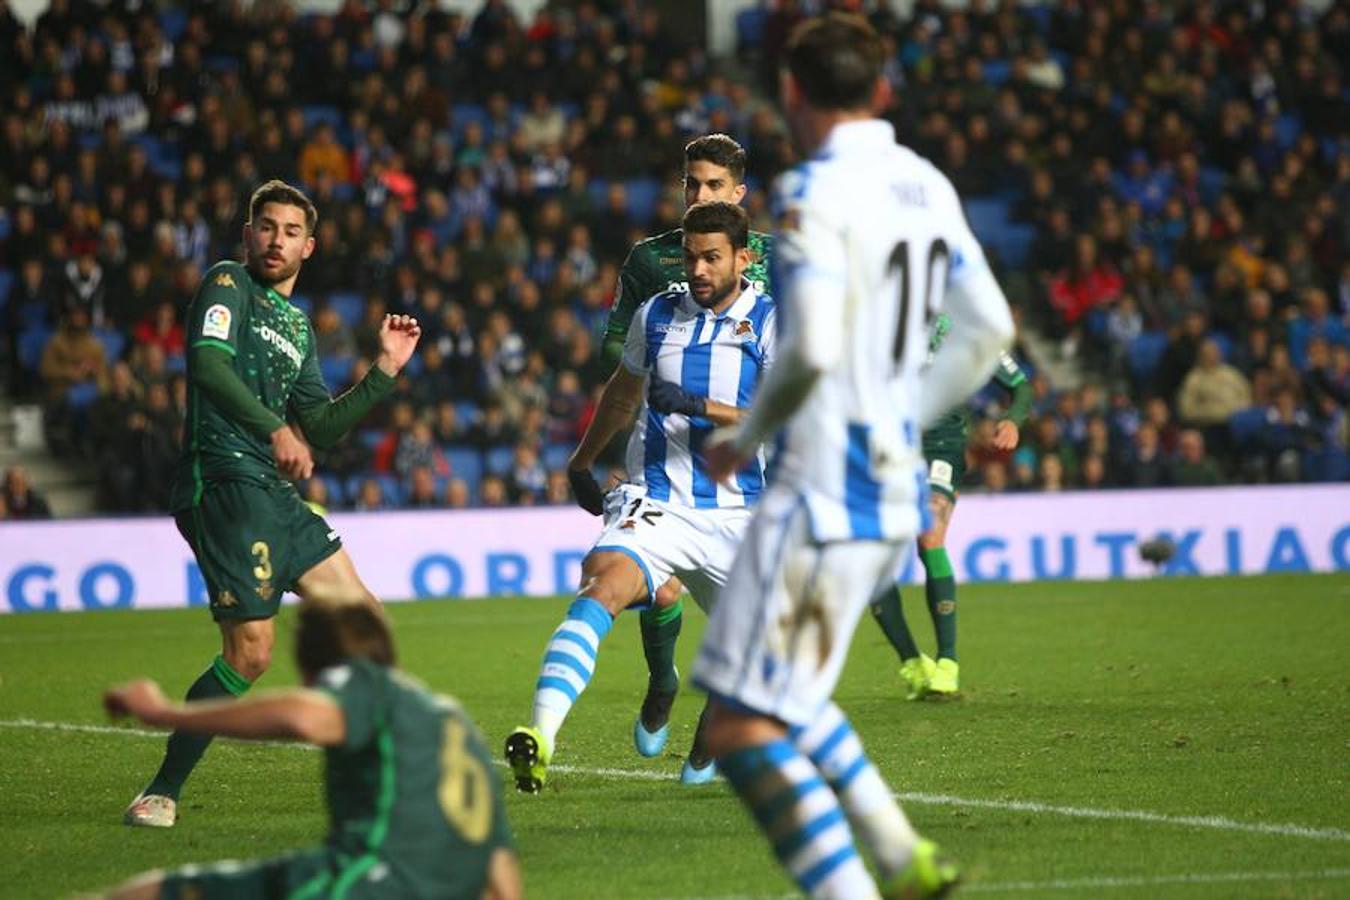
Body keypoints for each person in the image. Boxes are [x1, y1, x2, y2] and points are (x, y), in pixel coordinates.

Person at [697, 15, 1014, 898]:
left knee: (736, 725)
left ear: (792, 93)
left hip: (820, 487)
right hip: (891, 488)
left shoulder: (812, 193)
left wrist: (744, 436)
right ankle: (900, 854)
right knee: (788, 695)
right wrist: (900, 412)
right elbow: (990, 332)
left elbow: (811, 349)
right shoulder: (928, 185)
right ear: (881, 91)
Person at [122, 180, 422, 828]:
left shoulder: (297, 325)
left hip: (275, 492)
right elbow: (207, 365)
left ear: (309, 247)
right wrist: (274, 430)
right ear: (248, 233)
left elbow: (320, 425)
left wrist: (384, 371)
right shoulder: (228, 283)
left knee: (364, 622)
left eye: (290, 232)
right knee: (251, 654)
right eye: (266, 227)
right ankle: (161, 791)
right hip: (224, 480)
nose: (275, 240)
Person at [505, 200, 777, 791]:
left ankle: (708, 740)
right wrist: (582, 461)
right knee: (604, 580)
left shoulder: (774, 322)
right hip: (659, 500)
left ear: (743, 259)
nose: (698, 270)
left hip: (741, 514)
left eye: (712, 258)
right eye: (690, 257)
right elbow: (623, 394)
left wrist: (704, 408)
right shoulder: (656, 315)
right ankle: (541, 735)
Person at [103, 601, 521, 900]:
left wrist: (162, 712)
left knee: (151, 892)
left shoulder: (361, 683)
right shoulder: (454, 720)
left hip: (370, 882)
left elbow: (305, 717)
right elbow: (501, 873)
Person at [599, 133, 775, 766]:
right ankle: (663, 680)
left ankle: (709, 725)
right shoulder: (652, 262)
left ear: (738, 195)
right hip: (663, 453)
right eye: (690, 185)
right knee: (661, 589)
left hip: (753, 466)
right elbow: (615, 357)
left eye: (713, 187)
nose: (698, 196)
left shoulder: (772, 262)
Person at [870, 318, 1033, 699]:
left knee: (930, 538)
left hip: (939, 448)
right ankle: (913, 662)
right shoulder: (877, 316)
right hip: (885, 450)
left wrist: (1013, 419)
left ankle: (948, 662)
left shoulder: (963, 326)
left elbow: (1020, 386)